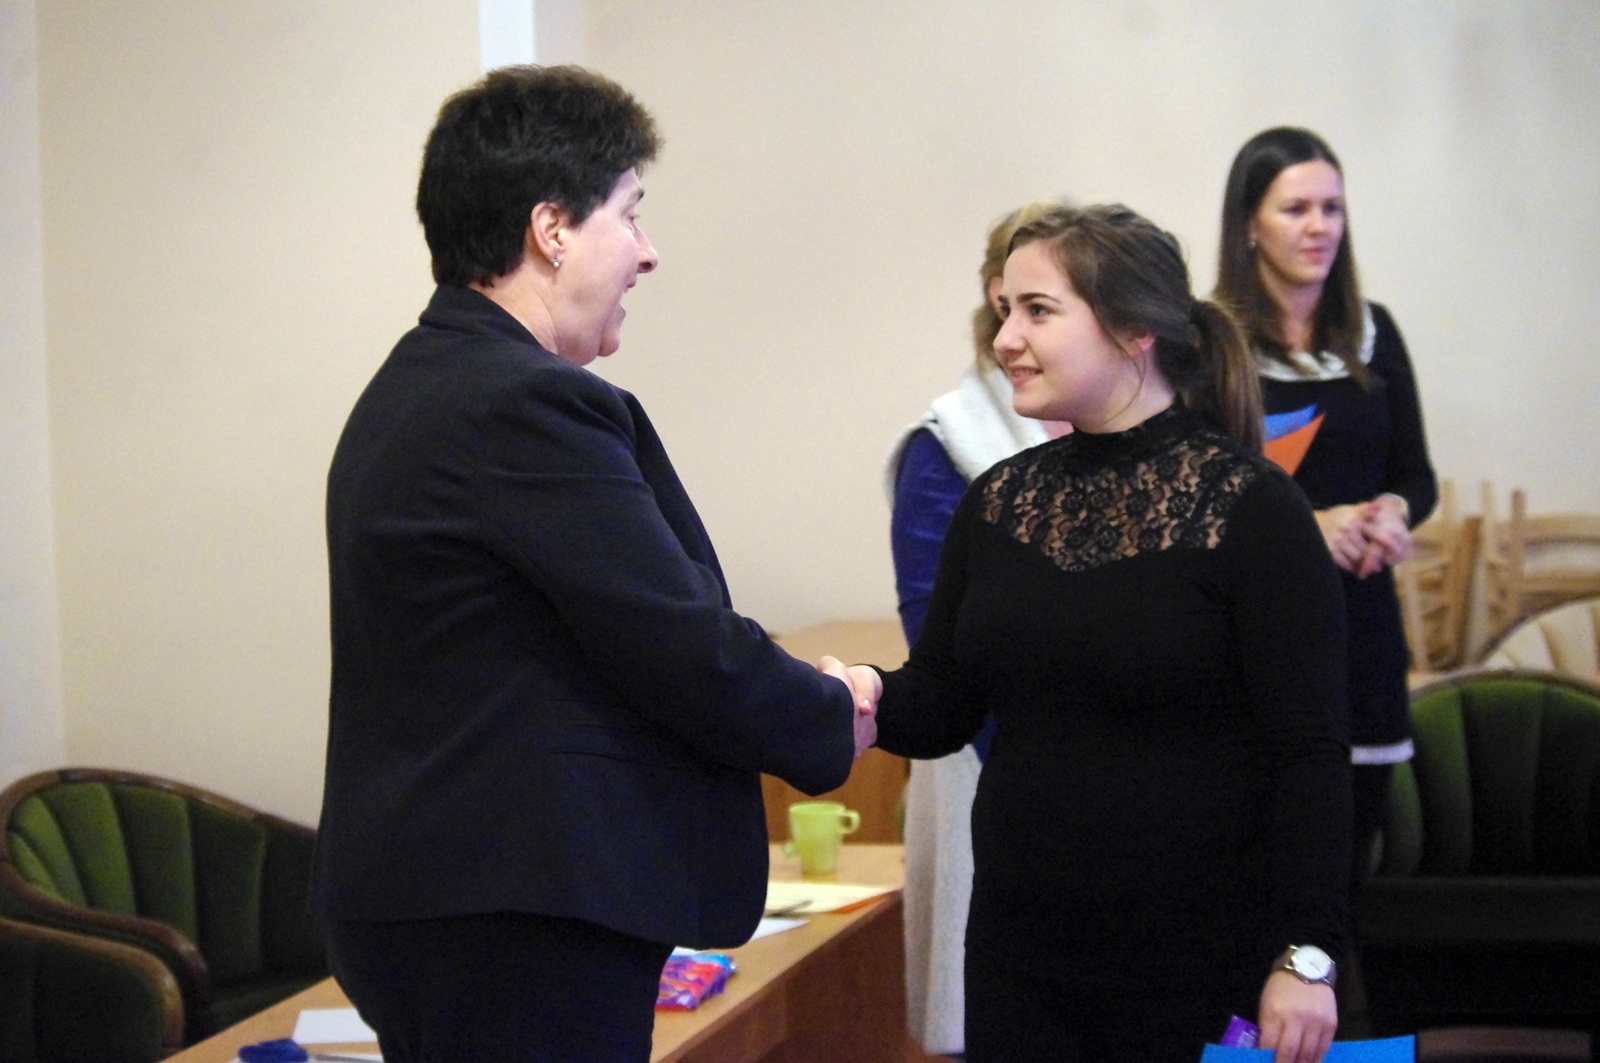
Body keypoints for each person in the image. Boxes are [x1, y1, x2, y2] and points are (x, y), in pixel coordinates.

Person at [315, 65, 872, 1063]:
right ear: (552, 228)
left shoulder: (416, 383)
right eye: (629, 211)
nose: (648, 252)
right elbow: (676, 641)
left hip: (445, 899)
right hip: (515, 915)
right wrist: (833, 711)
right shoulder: (521, 401)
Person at [840, 204, 1351, 1063]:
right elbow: (943, 702)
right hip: (1022, 957)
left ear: (1134, 331)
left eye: (1038, 311)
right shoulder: (999, 502)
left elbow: (1310, 751)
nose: (1006, 338)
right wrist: (858, 694)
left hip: (1200, 960)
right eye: (1005, 310)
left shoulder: (1252, 509)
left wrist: (1308, 954)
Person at [1215, 127, 1437, 901]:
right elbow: (1201, 494)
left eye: (1332, 208)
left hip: (1363, 639)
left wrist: (1393, 514)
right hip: (1257, 647)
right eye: (1296, 208)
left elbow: (1415, 474)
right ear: (1249, 223)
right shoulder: (1215, 346)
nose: (1320, 227)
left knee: (1343, 894)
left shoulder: (1376, 332)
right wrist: (1307, 525)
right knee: (1256, 891)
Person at [883, 199, 1069, 1057]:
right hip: (990, 782)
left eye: (1050, 305)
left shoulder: (1131, 436)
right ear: (994, 298)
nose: (1021, 329)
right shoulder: (946, 444)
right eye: (1014, 305)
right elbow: (942, 649)